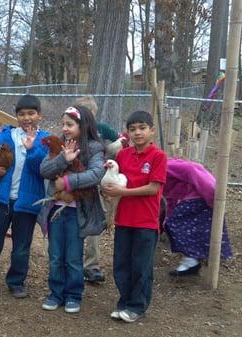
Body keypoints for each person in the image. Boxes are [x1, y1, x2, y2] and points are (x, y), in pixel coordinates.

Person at [0, 94, 49, 299]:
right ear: (16, 116)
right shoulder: (4, 136)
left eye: (31, 113)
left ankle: (16, 281)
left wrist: (32, 150)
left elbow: (43, 169)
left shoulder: (45, 140)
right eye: (22, 114)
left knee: (22, 244)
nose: (27, 118)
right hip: (0, 198)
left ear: (39, 115)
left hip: (27, 201)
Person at [38, 105, 106, 314]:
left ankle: (73, 295)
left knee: (74, 257)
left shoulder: (94, 148)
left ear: (82, 125)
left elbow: (96, 174)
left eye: (70, 124)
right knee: (56, 255)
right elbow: (44, 170)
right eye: (63, 124)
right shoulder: (59, 146)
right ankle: (55, 293)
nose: (65, 128)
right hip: (56, 210)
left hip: (78, 211)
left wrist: (67, 183)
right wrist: (62, 159)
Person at [101, 110, 167, 323]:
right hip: (124, 219)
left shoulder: (158, 157)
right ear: (127, 132)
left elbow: (153, 188)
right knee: (121, 264)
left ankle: (137, 306)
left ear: (152, 131)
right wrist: (108, 191)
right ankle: (124, 302)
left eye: (142, 128)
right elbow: (117, 180)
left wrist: (122, 193)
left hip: (146, 222)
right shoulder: (123, 155)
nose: (137, 133)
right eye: (132, 129)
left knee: (141, 266)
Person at [74, 95, 121, 284]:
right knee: (74, 225)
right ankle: (74, 262)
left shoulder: (102, 130)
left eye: (90, 114)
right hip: (76, 186)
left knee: (93, 226)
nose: (86, 119)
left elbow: (120, 143)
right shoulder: (72, 133)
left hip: (95, 185)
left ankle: (91, 266)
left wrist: (112, 148)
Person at [163, 158, 233, 277]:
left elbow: (192, 170)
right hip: (189, 197)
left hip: (200, 195)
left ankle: (192, 260)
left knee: (175, 223)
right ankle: (192, 259)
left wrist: (214, 198)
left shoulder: (166, 166)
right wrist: (168, 215)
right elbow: (170, 196)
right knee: (175, 224)